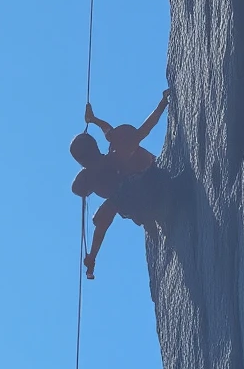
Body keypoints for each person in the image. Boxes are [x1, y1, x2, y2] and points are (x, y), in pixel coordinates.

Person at [69, 93, 169, 277]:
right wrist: (94, 120)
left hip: (154, 186)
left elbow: (140, 132)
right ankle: (154, 221)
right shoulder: (109, 159)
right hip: (147, 200)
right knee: (105, 211)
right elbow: (119, 132)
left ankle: (155, 220)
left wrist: (162, 105)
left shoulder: (116, 154)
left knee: (109, 207)